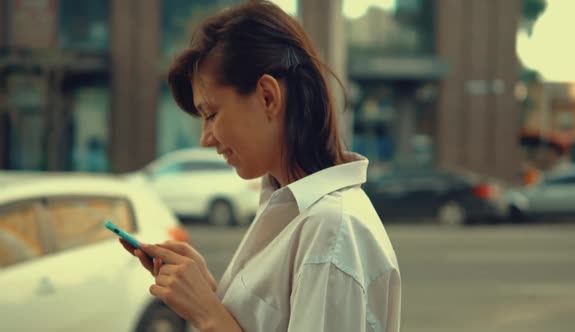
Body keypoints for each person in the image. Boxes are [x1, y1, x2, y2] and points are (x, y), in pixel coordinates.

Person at [120, 1, 401, 331]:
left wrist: (207, 313)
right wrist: (207, 292)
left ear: (268, 97)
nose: (205, 139)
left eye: (211, 114)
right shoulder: (288, 208)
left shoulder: (331, 230)